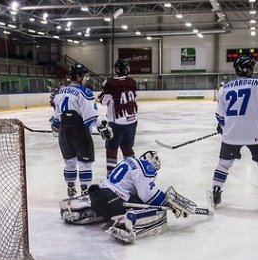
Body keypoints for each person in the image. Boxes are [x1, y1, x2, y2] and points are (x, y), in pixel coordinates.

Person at [59, 150, 212, 243]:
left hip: (97, 195)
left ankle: (81, 209)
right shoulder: (145, 167)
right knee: (156, 208)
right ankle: (128, 221)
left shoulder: (129, 161)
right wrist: (170, 204)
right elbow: (149, 196)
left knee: (126, 198)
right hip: (113, 202)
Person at [212, 55, 258, 211]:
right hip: (256, 134)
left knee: (223, 165)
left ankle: (215, 194)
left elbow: (220, 116)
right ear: (250, 69)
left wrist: (222, 126)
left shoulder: (225, 88)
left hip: (231, 135)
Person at [51, 63, 113, 198]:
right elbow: (90, 118)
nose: (86, 79)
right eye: (85, 76)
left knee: (69, 162)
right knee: (85, 163)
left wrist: (56, 125)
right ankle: (85, 192)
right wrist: (102, 126)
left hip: (64, 132)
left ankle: (71, 188)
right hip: (79, 132)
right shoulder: (84, 93)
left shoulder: (60, 92)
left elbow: (56, 119)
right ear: (79, 77)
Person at [98, 59, 138, 176]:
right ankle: (134, 173)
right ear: (126, 69)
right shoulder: (132, 81)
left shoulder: (110, 83)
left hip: (117, 123)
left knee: (112, 149)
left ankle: (111, 176)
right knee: (127, 147)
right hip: (132, 121)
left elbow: (103, 101)